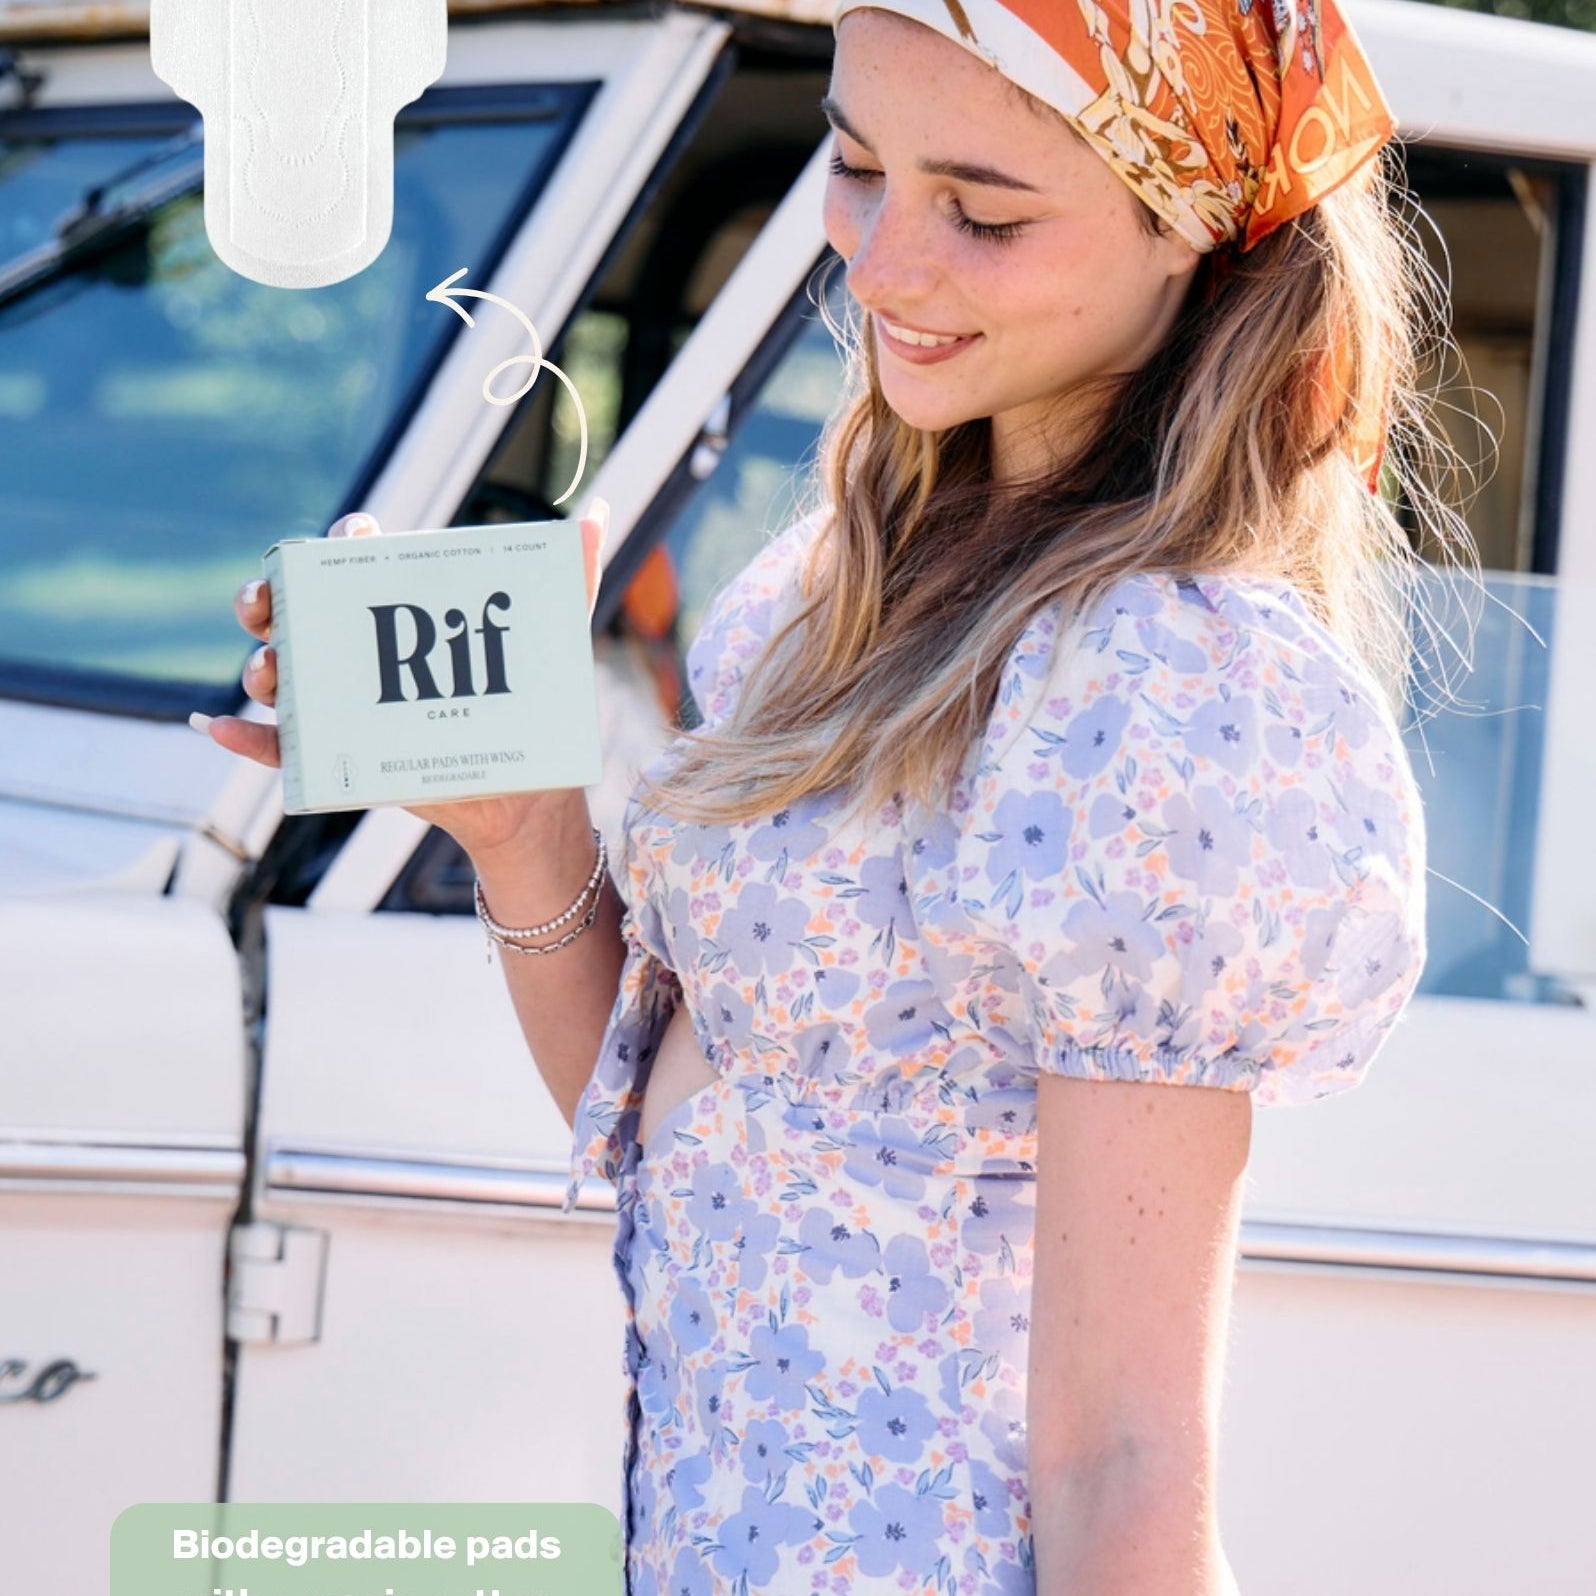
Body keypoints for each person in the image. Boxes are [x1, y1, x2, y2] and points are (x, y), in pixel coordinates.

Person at [197, 0, 1477, 1589]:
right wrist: (519, 824)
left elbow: (1126, 1457)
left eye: (984, 212)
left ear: (1187, 231)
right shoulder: (831, 589)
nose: (876, 266)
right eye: (857, 162)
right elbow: (706, 1151)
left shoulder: (1173, 691)